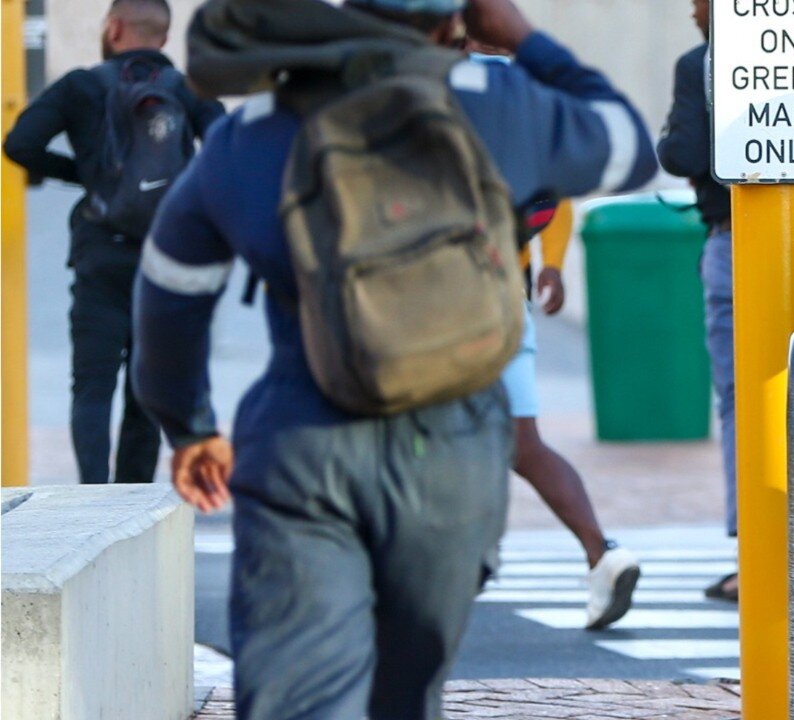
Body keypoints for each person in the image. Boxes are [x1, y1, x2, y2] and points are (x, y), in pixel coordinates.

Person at [131, 0, 656, 716]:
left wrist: (187, 423)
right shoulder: (499, 101)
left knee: (301, 695)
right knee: (408, 694)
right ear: (456, 22)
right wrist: (523, 39)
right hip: (454, 455)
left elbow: (169, 290)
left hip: (301, 442)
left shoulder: (257, 128)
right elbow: (630, 146)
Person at [2, 0, 224, 485]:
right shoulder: (186, 90)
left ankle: (93, 498)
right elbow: (222, 149)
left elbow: (19, 144)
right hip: (163, 257)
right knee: (147, 388)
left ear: (114, 28)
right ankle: (133, 500)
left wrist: (81, 176)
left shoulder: (80, 86)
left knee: (92, 385)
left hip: (100, 252)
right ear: (164, 39)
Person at [504, 198, 641, 630]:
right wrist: (552, 265)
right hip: (505, 299)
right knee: (523, 443)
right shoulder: (522, 132)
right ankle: (602, 553)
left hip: (429, 308)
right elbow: (554, 194)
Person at [656, 0, 740, 602]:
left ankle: (757, 551)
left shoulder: (702, 63)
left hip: (733, 240)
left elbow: (681, 154)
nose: (692, 12)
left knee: (741, 395)